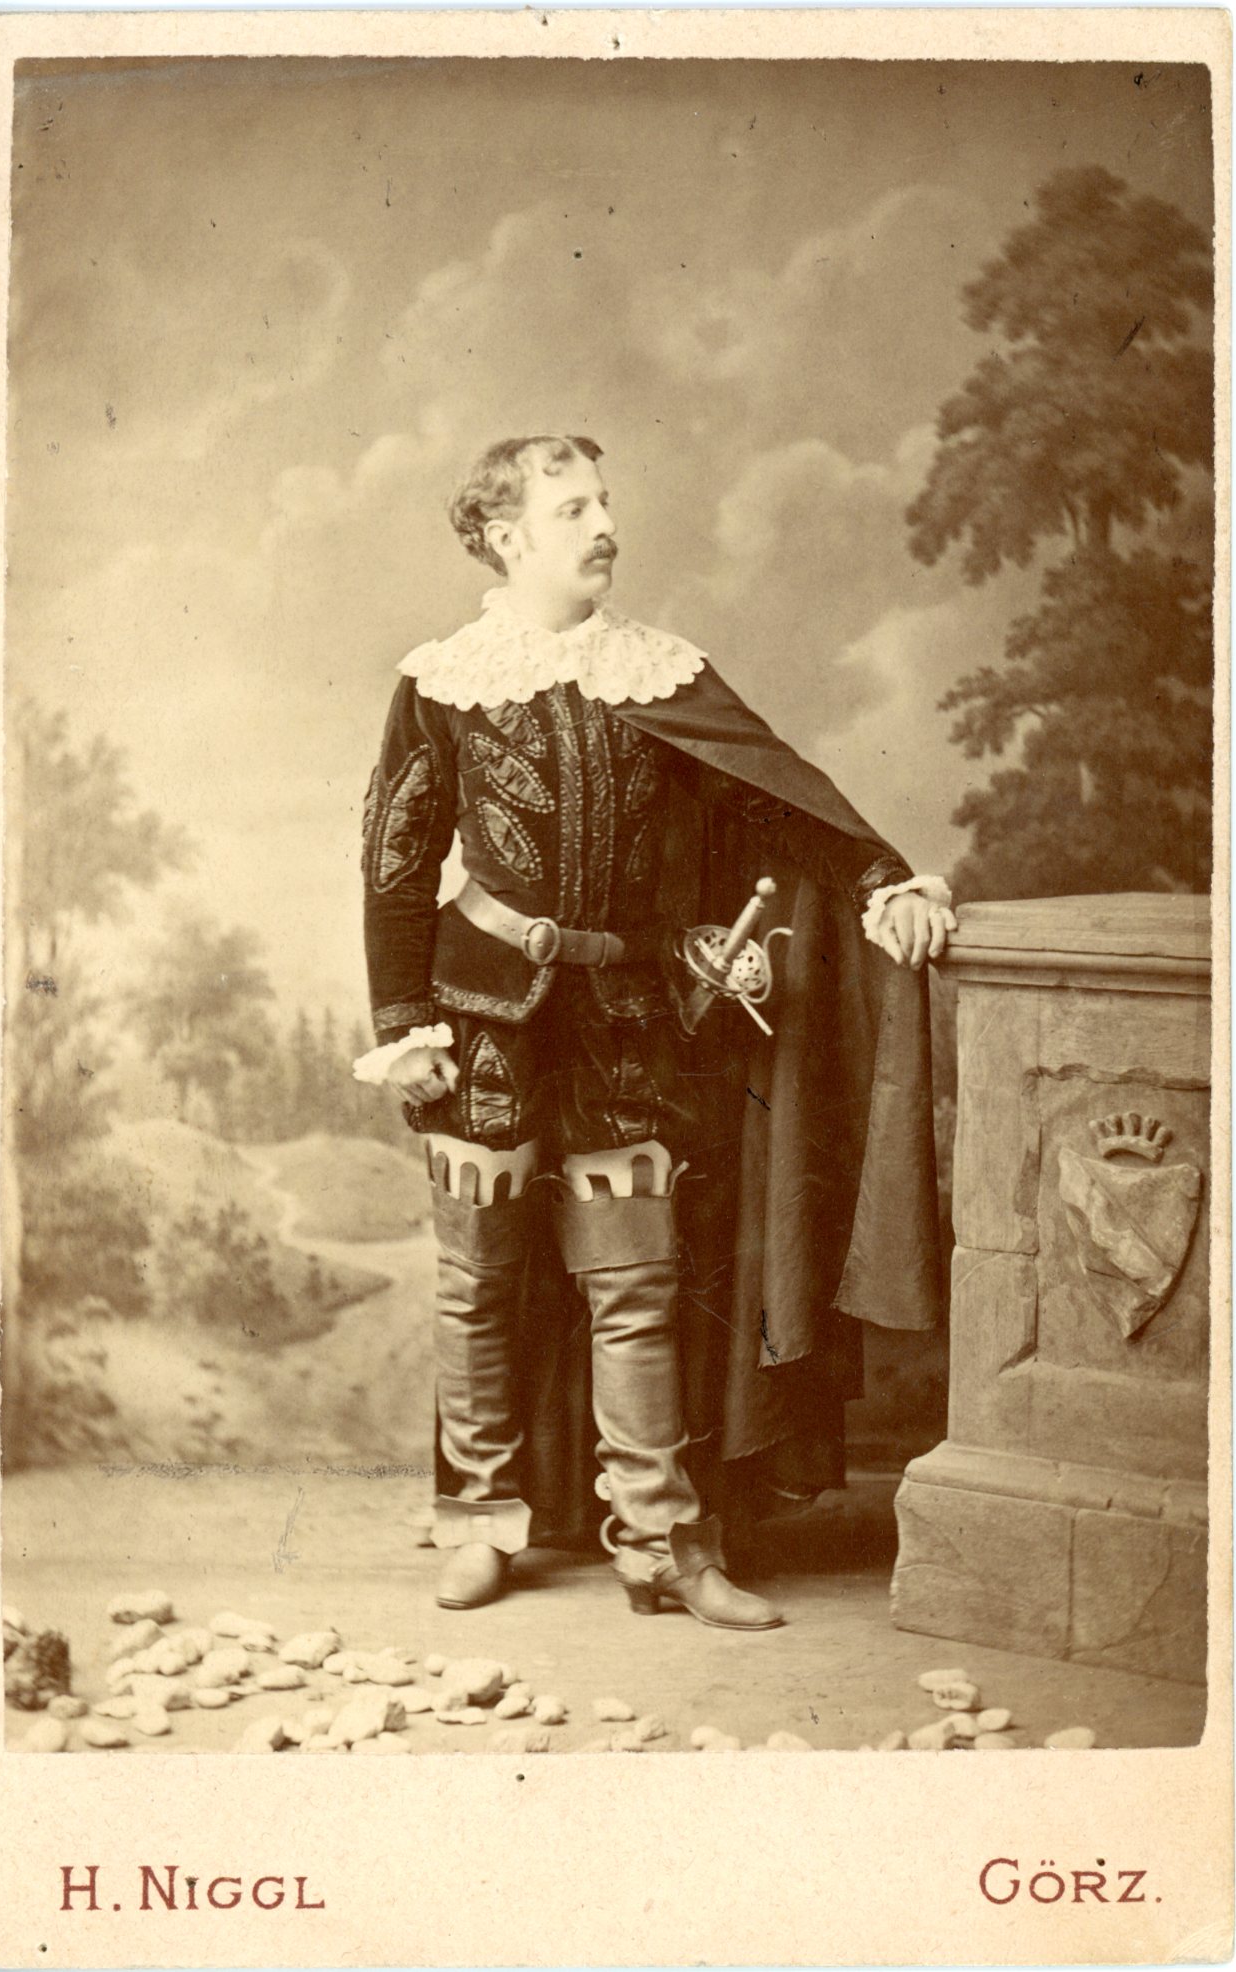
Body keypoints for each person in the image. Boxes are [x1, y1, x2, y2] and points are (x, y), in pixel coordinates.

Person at [357, 434, 955, 1629]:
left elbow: (780, 799)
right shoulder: (442, 684)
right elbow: (395, 865)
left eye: (605, 501)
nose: (604, 525)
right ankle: (478, 1522)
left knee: (636, 1283)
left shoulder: (660, 674)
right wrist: (404, 1023)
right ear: (507, 537)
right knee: (478, 1282)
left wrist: (883, 877)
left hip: (625, 1022)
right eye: (572, 508)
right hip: (480, 1025)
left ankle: (662, 1543)